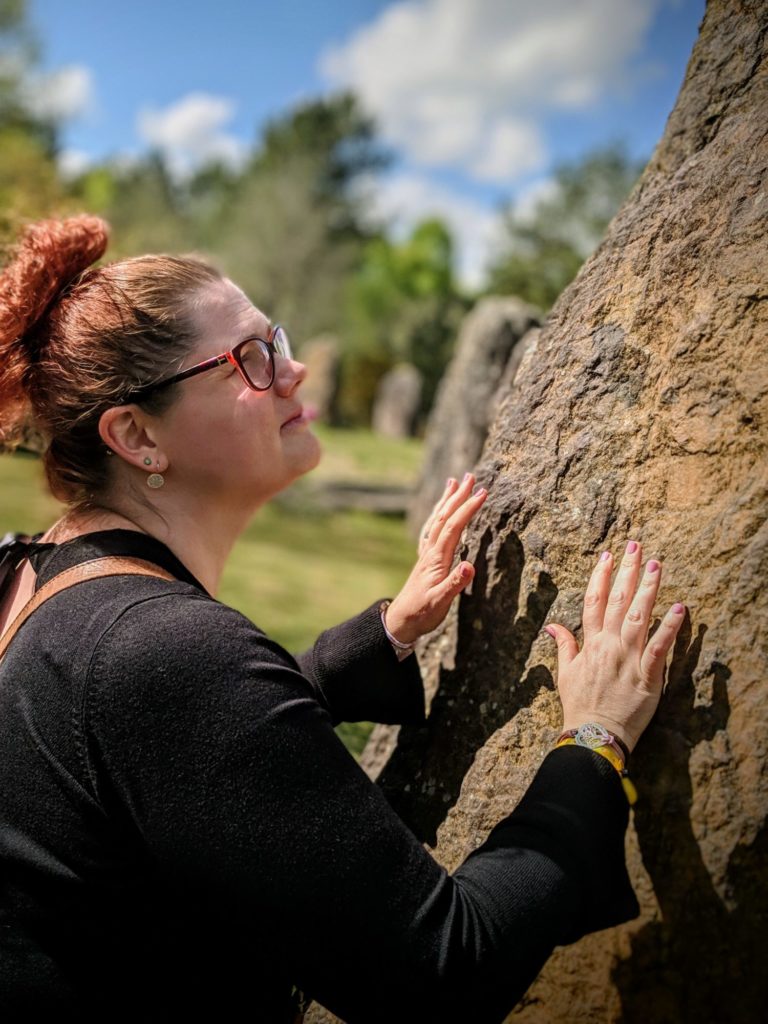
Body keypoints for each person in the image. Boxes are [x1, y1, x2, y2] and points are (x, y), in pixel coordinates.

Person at [0, 216, 685, 1023]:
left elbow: (162, 753)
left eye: (275, 339)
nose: (292, 372)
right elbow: (442, 968)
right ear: (138, 435)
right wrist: (596, 739)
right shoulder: (162, 653)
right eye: (249, 361)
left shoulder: (27, 575)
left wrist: (388, 632)